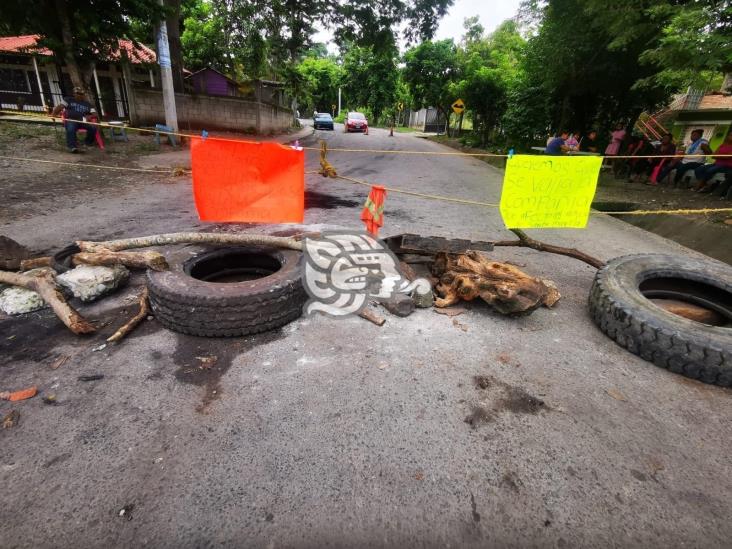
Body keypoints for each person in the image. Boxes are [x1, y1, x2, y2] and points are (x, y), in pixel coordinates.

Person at [51, 86, 97, 153]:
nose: (80, 95)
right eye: (78, 93)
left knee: (93, 127)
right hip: (71, 120)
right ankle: (72, 147)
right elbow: (60, 107)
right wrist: (54, 114)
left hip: (83, 121)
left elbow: (95, 114)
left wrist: (89, 116)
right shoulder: (68, 100)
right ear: (74, 94)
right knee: (71, 128)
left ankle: (87, 142)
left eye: (82, 94)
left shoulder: (87, 104)